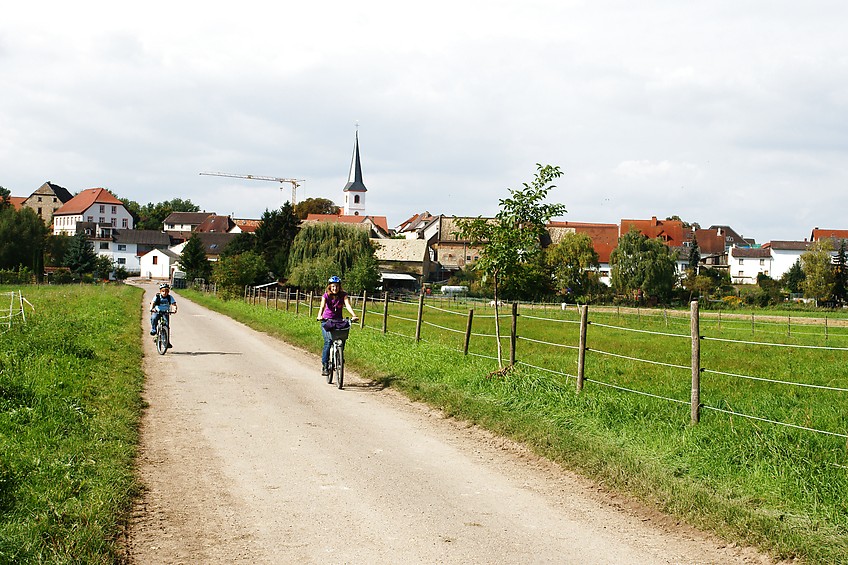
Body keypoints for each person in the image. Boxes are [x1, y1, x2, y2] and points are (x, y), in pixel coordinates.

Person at [316, 276, 359, 376]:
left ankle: (339, 356)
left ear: (340, 287)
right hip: (327, 321)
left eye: (337, 286)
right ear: (330, 287)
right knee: (328, 341)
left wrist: (354, 315)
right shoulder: (326, 296)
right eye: (333, 286)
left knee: (342, 338)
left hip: (338, 321)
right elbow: (322, 306)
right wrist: (319, 316)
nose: (335, 288)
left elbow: (347, 305)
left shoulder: (343, 295)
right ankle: (325, 365)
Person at [150, 282, 177, 348]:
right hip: (157, 311)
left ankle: (167, 341)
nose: (164, 293)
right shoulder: (157, 296)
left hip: (165, 312)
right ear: (160, 291)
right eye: (163, 291)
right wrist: (151, 308)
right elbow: (153, 303)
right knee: (154, 318)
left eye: (166, 291)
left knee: (166, 326)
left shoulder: (169, 297)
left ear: (168, 292)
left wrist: (174, 309)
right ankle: (153, 329)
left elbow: (173, 304)